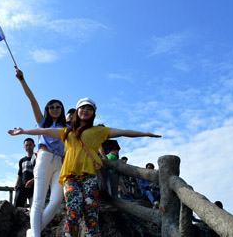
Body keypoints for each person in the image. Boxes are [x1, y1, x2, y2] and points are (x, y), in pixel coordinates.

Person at [8, 97, 161, 237]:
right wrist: (23, 131)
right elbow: (43, 130)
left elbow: (122, 132)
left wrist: (144, 133)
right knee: (73, 211)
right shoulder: (67, 131)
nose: (85, 111)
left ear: (93, 113)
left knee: (91, 213)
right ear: (77, 111)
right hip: (70, 177)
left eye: (89, 109)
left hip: (90, 176)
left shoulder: (99, 131)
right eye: (82, 108)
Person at [15, 67, 67, 237]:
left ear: (62, 109)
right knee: (38, 201)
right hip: (44, 158)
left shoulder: (67, 127)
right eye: (51, 106)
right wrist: (22, 80)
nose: (54, 108)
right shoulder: (43, 122)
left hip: (61, 162)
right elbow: (32, 101)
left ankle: (32, 233)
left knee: (56, 201)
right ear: (47, 109)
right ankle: (36, 235)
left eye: (58, 106)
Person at [14, 138, 37, 208]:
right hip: (22, 186)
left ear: (34, 146)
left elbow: (41, 172)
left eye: (30, 145)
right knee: (16, 207)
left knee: (34, 207)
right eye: (26, 145)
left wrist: (32, 181)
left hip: (34, 187)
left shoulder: (38, 157)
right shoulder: (22, 160)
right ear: (24, 147)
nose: (28, 147)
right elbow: (20, 173)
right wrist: (16, 183)